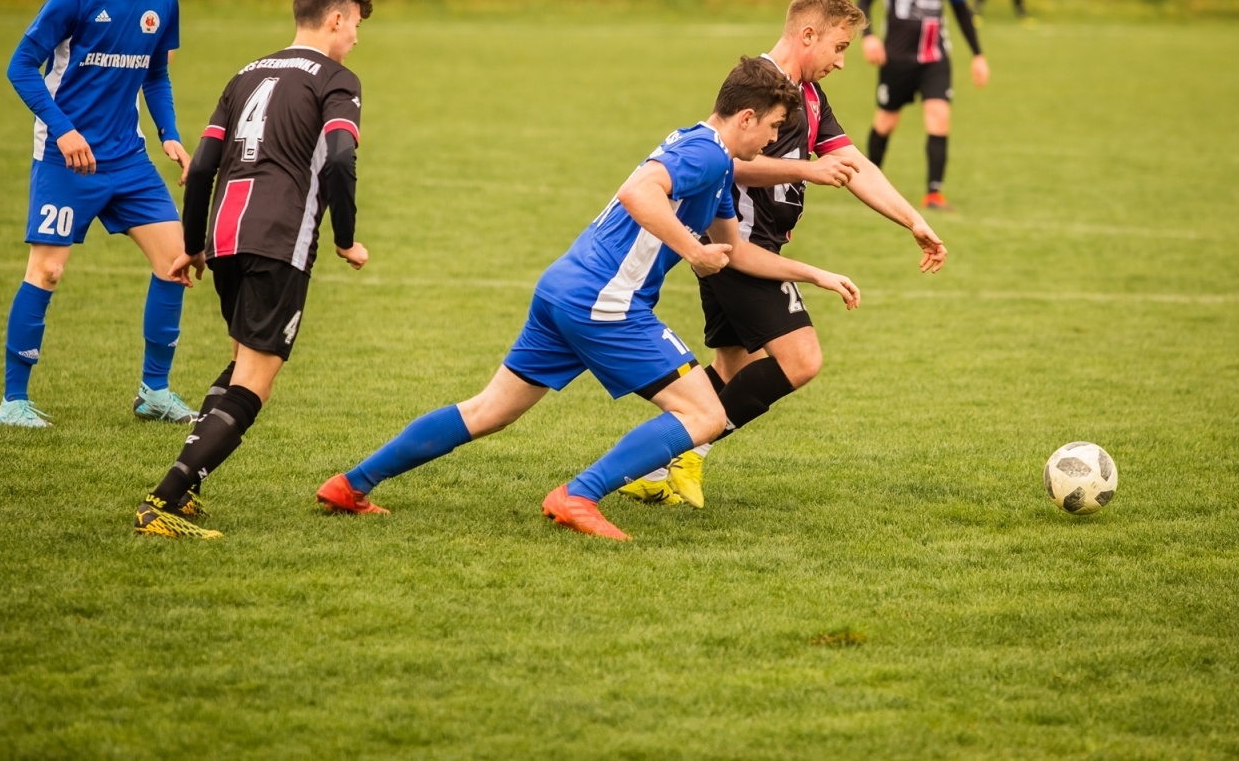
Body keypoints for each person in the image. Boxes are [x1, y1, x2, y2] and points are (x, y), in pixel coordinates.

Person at [315, 57, 862, 542]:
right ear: (746, 118)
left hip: (564, 287)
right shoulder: (706, 154)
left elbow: (735, 251)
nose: (771, 141)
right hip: (605, 301)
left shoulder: (707, 156)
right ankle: (578, 495)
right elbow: (638, 192)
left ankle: (350, 484)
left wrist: (815, 273)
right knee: (705, 413)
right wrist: (690, 253)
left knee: (488, 410)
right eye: (770, 128)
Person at [618, 0, 947, 508]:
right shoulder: (759, 86)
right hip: (739, 244)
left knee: (732, 368)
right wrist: (804, 169)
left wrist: (912, 220)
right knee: (800, 359)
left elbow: (854, 166)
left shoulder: (809, 98)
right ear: (807, 35)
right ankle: (686, 454)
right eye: (838, 48)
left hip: (744, 244)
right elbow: (720, 158)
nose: (842, 62)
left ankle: (650, 467)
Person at [134, 0, 373, 539]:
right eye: (356, 26)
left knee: (243, 359)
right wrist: (345, 238)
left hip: (224, 237)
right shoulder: (339, 80)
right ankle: (162, 503)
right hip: (279, 238)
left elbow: (200, 170)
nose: (357, 40)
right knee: (255, 381)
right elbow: (339, 160)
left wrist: (191, 246)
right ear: (335, 19)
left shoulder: (245, 73)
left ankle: (185, 491)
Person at [0, 0, 194, 429]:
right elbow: (20, 67)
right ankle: (13, 401)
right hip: (67, 160)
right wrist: (62, 130)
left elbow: (156, 74)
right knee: (48, 270)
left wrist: (170, 133)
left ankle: (154, 393)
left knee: (176, 264)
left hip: (128, 158)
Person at [857, 0, 989, 210]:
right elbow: (863, 0)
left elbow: (960, 10)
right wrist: (869, 37)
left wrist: (978, 54)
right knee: (886, 121)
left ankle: (934, 193)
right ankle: (866, 185)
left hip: (935, 57)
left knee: (939, 117)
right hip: (896, 58)